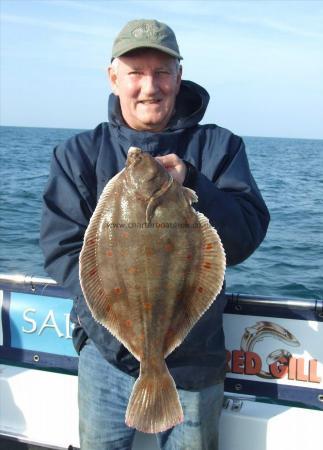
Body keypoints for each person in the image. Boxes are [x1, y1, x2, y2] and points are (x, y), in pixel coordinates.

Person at [40, 19, 270, 450]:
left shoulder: (220, 148)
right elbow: (62, 249)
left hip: (195, 364)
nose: (150, 86)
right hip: (105, 357)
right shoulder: (77, 155)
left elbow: (244, 238)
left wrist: (195, 183)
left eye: (162, 72)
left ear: (179, 77)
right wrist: (115, 331)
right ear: (114, 78)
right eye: (136, 73)